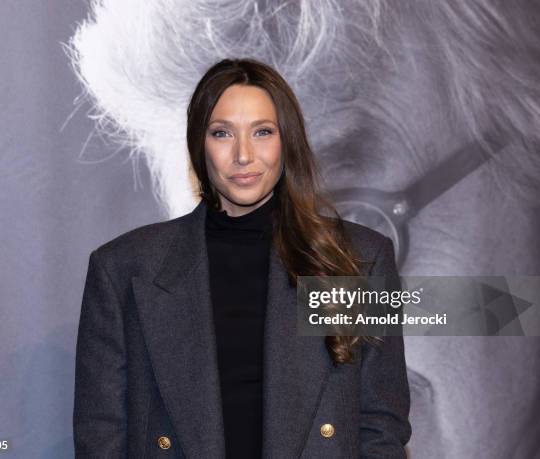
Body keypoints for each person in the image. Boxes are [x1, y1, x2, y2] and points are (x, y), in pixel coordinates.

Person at [73, 58, 411, 458]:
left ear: (288, 141)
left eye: (263, 132)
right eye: (222, 133)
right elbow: (102, 435)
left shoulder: (360, 260)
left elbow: (381, 424)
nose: (244, 155)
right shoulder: (124, 269)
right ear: (199, 144)